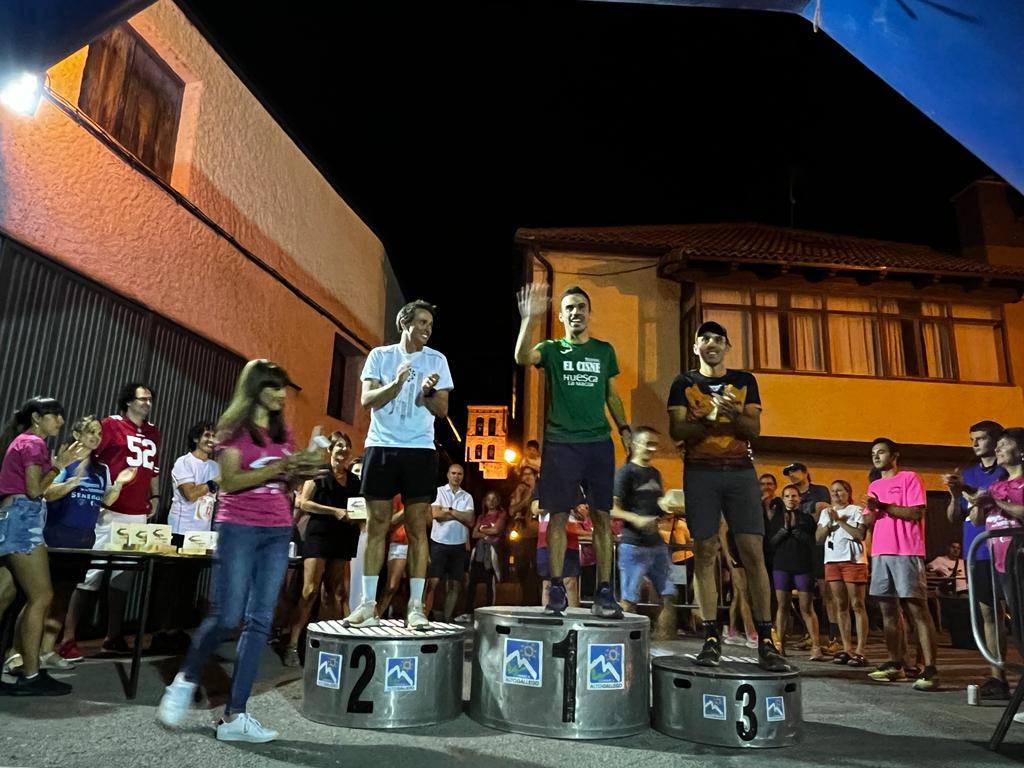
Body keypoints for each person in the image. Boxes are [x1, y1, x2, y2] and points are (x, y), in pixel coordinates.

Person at [157, 359, 323, 742]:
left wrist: (304, 468)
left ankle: (235, 716)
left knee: (260, 622)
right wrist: (281, 465)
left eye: (284, 387)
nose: (282, 394)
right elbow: (229, 480)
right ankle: (184, 681)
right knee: (228, 613)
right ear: (255, 388)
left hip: (277, 530)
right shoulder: (232, 428)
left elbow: (287, 479)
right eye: (274, 386)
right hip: (239, 528)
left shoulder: (283, 431)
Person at [667, 321, 787, 671]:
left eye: (718, 339)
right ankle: (710, 636)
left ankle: (766, 639)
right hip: (700, 471)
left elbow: (753, 430)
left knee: (752, 552)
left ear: (727, 347)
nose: (711, 344)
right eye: (704, 338)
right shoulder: (683, 383)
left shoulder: (744, 381)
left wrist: (728, 414)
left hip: (739, 471)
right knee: (704, 551)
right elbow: (678, 429)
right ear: (695, 347)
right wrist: (716, 417)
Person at [515, 283, 629, 618]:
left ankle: (605, 593)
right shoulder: (551, 349)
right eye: (569, 308)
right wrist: (528, 319)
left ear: (588, 313)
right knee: (558, 516)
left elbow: (611, 395)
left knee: (602, 516)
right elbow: (522, 357)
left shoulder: (603, 351)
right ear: (562, 316)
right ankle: (556, 590)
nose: (576, 312)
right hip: (561, 443)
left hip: (598, 442)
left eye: (581, 306)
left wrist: (624, 428)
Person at [343, 299, 453, 629]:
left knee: (419, 529)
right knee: (378, 527)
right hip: (381, 446)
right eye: (421, 322)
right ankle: (366, 605)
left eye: (430, 325)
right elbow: (366, 400)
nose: (427, 329)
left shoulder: (438, 360)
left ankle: (416, 607)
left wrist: (428, 391)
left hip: (419, 450)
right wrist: (397, 383)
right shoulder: (381, 356)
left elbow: (443, 410)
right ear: (405, 323)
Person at [64, 382, 161, 655]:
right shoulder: (111, 425)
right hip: (107, 510)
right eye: (142, 399)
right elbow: (89, 455)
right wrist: (86, 489)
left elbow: (153, 469)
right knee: (89, 575)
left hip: (137, 514)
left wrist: (155, 497)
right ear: (128, 401)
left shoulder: (153, 432)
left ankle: (113, 635)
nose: (147, 404)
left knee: (123, 577)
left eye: (150, 399)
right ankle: (68, 636)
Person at [0, 396, 88, 694]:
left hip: (12, 518)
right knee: (42, 596)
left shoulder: (22, 442)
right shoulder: (34, 444)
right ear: (37, 417)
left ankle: (25, 666)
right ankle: (31, 674)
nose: (60, 422)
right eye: (54, 415)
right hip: (23, 519)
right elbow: (35, 489)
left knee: (5, 595)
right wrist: (59, 465)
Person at [30, 415, 133, 668]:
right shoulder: (63, 462)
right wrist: (71, 482)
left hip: (83, 542)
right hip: (55, 540)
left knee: (64, 599)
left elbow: (106, 501)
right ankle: (26, 653)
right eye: (90, 432)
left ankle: (46, 651)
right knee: (43, 598)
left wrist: (119, 483)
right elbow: (46, 493)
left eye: (98, 433)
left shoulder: (102, 469)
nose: (96, 437)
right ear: (77, 435)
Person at [863, 437, 939, 691]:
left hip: (906, 551)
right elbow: (867, 523)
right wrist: (868, 513)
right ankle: (896, 662)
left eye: (881, 452)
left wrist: (883, 506)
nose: (876, 456)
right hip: (880, 552)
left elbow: (915, 513)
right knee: (888, 611)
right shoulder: (874, 485)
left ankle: (929, 668)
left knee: (916, 609)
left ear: (894, 455)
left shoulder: (909, 478)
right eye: (873, 453)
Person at [942, 420, 1009, 701]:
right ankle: (998, 677)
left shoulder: (1006, 470)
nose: (975, 444)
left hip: (1002, 546)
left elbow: (993, 498)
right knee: (987, 614)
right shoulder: (968, 472)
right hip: (976, 551)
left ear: (996, 441)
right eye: (972, 439)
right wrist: (955, 494)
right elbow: (953, 517)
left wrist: (967, 488)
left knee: (1011, 611)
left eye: (980, 438)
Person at [283, 433, 360, 666]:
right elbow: (302, 503)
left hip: (344, 537)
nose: (343, 450)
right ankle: (292, 645)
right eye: (339, 446)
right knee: (310, 590)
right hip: (319, 535)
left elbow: (359, 508)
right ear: (331, 450)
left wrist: (360, 517)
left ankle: (328, 644)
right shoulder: (320, 473)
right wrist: (333, 511)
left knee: (334, 592)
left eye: (347, 446)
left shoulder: (355, 481)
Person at [611, 426, 678, 639]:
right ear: (634, 444)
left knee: (668, 593)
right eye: (648, 443)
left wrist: (668, 507)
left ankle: (665, 641)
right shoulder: (625, 473)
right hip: (633, 544)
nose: (652, 448)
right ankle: (625, 641)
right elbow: (612, 508)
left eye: (655, 444)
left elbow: (655, 505)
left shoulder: (655, 473)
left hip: (656, 543)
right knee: (630, 597)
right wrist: (636, 519)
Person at [783, 461, 836, 653]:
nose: (792, 475)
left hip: (820, 547)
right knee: (806, 596)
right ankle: (810, 635)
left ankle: (833, 637)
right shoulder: (790, 493)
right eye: (789, 473)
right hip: (801, 550)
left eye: (795, 471)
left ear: (805, 472)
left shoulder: (818, 491)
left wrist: (805, 517)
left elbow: (822, 513)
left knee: (827, 593)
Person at [816, 479, 869, 666]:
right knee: (840, 605)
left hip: (853, 561)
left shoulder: (856, 510)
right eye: (832, 491)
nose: (836, 494)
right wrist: (828, 523)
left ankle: (860, 650)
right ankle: (846, 648)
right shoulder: (825, 512)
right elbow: (819, 538)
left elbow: (859, 534)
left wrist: (840, 521)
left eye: (839, 491)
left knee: (857, 604)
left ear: (848, 492)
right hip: (832, 560)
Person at [770, 484, 822, 659]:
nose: (791, 499)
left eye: (794, 496)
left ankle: (816, 646)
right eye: (787, 496)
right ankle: (781, 646)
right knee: (782, 607)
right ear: (782, 498)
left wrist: (798, 532)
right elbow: (770, 543)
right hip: (781, 566)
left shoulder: (807, 519)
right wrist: (785, 530)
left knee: (806, 607)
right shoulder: (776, 519)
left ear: (799, 499)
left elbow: (812, 543)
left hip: (802, 566)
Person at [424, 463, 474, 621]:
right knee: (433, 582)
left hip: (458, 544)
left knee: (454, 584)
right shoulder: (438, 492)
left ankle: (447, 618)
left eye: (459, 474)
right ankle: (425, 614)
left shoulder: (467, 496)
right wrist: (459, 515)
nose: (456, 476)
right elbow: (436, 514)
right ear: (448, 475)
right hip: (439, 542)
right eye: (453, 473)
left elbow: (470, 520)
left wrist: (449, 510)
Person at [466, 491, 506, 612]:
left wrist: (482, 531)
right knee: (472, 582)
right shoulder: (481, 517)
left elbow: (496, 530)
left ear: (498, 501)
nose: (491, 502)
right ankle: (468, 611)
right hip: (479, 552)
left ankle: (490, 610)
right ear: (485, 502)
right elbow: (474, 533)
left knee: (490, 584)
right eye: (489, 499)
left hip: (492, 552)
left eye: (494, 499)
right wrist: (486, 532)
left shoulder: (501, 514)